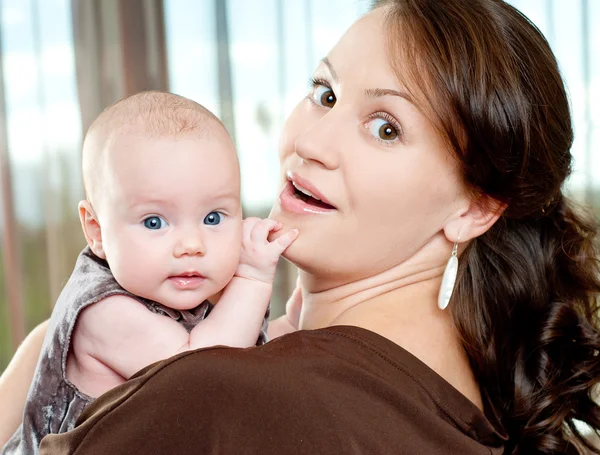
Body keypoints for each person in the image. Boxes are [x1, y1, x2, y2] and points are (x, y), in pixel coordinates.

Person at [3, 0, 600, 453]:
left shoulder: (218, 397)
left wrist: (44, 352)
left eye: (385, 127)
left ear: (474, 208)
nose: (311, 142)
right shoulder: (467, 404)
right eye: (325, 92)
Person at [1, 92, 298, 454]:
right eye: (154, 222)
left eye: (213, 218)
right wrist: (251, 279)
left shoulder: (173, 283)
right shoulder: (104, 312)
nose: (191, 244)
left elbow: (239, 343)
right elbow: (201, 373)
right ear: (96, 231)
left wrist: (294, 323)